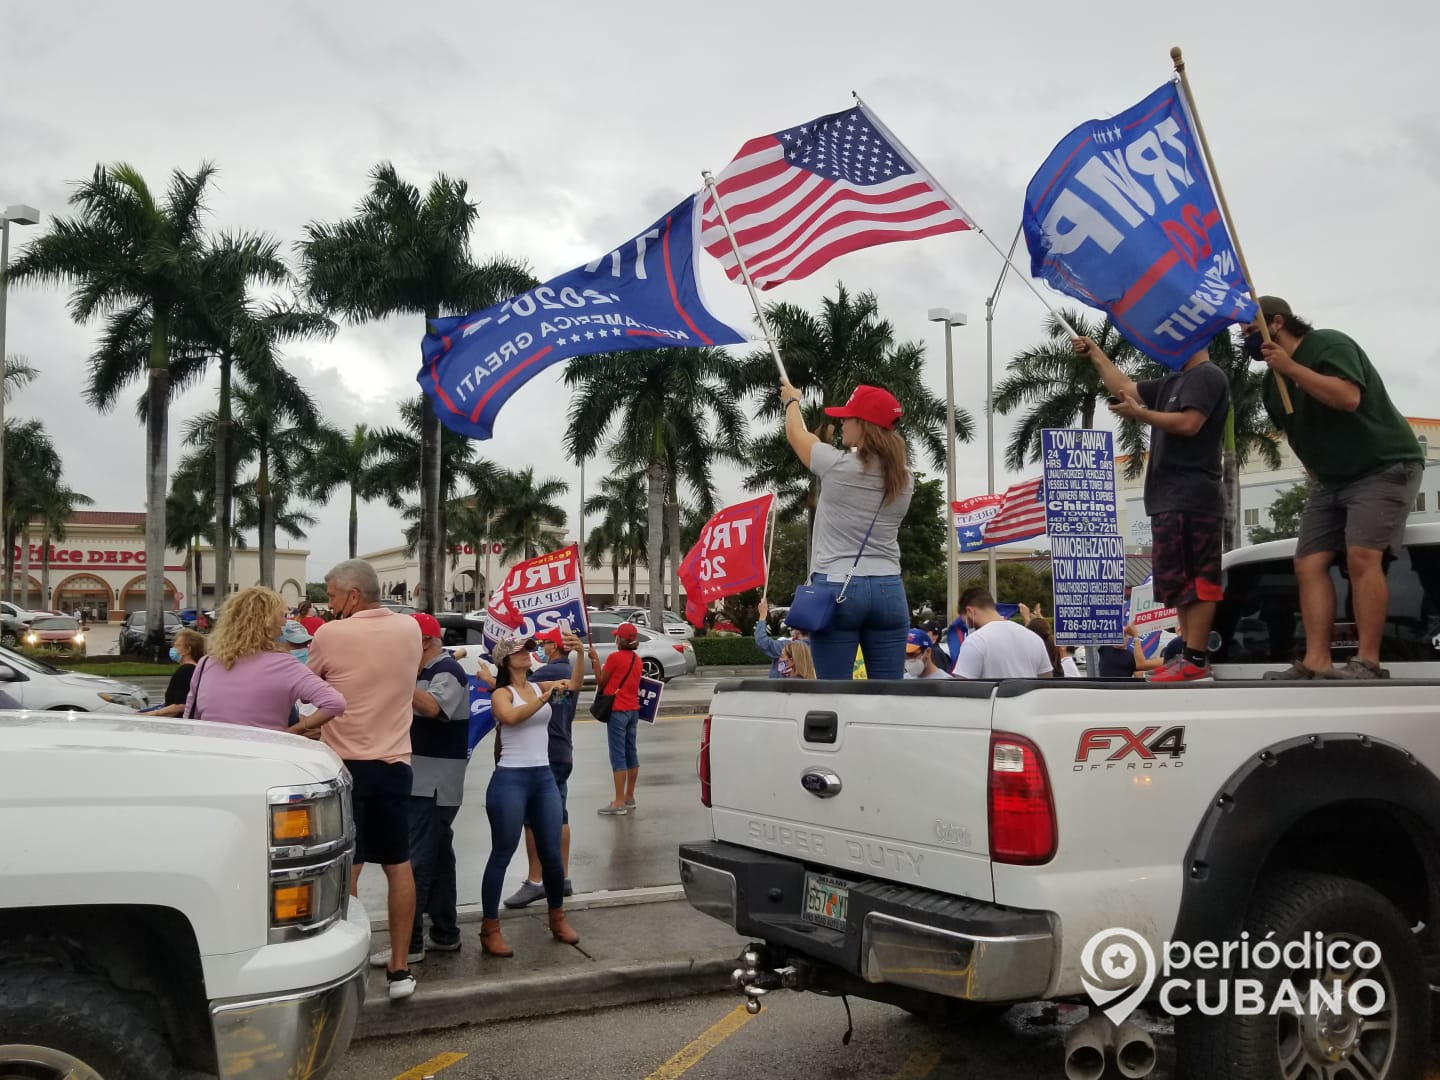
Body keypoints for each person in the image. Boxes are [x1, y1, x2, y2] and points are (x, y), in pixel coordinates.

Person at [1248, 297, 1425, 679]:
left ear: (1276, 323)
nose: (1244, 339)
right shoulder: (1270, 383)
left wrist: (1291, 367)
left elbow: (1347, 398)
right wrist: (1319, 473)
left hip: (1383, 465)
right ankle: (1316, 661)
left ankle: (1368, 661)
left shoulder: (1327, 344)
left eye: (1249, 329)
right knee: (1307, 562)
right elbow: (1296, 436)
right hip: (1332, 480)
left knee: (1362, 555)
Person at [1074, 334, 1230, 683]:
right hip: (1167, 498)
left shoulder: (1207, 375)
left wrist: (1141, 414)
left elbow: (1190, 424)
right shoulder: (1173, 381)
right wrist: (1096, 355)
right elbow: (1126, 388)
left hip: (1194, 495)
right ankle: (1186, 655)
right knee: (1179, 585)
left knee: (1199, 581)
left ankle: (1195, 658)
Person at [308, 559, 423, 1000]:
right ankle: (399, 968)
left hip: (345, 766)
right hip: (395, 764)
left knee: (346, 869)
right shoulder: (411, 630)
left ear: (353, 596)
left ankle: (350, 965)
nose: (330, 603)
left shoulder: (330, 634)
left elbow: (308, 686)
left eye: (333, 595)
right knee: (399, 864)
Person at [779, 381, 915, 679]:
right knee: (890, 695)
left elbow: (796, 434)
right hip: (889, 590)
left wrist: (792, 402)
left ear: (864, 425)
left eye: (847, 417)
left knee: (834, 694)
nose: (841, 422)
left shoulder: (837, 465)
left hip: (838, 588)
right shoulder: (905, 479)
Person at [369, 612, 471, 968]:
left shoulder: (446, 671)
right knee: (439, 860)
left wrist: (399, 681)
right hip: (428, 783)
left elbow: (432, 706)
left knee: (414, 864)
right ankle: (445, 933)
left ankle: (410, 944)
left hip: (433, 785)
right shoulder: (427, 672)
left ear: (424, 642)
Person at [479, 630, 585, 957]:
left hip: (542, 777)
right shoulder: (503, 693)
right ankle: (490, 928)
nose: (528, 653)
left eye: (530, 648)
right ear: (506, 660)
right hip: (511, 778)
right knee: (503, 851)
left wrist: (580, 655)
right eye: (521, 650)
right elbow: (509, 717)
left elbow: (576, 687)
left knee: (551, 854)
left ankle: (557, 917)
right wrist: (543, 697)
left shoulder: (540, 686)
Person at [184, 587, 345, 732]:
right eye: (282, 615)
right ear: (269, 622)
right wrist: (295, 731)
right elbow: (334, 702)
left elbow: (191, 717)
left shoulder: (206, 663)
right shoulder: (285, 665)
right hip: (264, 755)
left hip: (214, 756)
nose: (285, 621)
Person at [504, 626, 581, 908]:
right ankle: (562, 877)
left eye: (546, 643)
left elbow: (520, 706)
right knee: (560, 816)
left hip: (545, 754)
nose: (541, 648)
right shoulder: (563, 672)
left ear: (554, 647)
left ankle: (536, 880)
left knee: (533, 821)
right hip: (563, 749)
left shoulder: (544, 676)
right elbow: (559, 708)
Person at [590, 622, 644, 815]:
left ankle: (618, 801)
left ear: (620, 639)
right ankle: (629, 796)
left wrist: (595, 660)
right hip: (633, 710)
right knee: (631, 752)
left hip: (617, 710)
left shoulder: (614, 658)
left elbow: (601, 682)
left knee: (618, 755)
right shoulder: (638, 660)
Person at [950, 587, 1054, 679]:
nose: (969, 627)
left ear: (970, 611)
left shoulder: (975, 641)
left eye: (966, 622)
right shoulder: (1034, 638)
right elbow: (1046, 681)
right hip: (1029, 701)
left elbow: (961, 690)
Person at [147, 629, 206, 717]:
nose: (173, 649)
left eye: (177, 645)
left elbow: (181, 705)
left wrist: (153, 713)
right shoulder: (196, 668)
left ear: (188, 649)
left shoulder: (185, 670)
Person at [1096, 625, 1166, 679]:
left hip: (1123, 690)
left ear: (1128, 638)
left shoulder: (1132, 656)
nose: (1120, 637)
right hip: (1104, 688)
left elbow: (1138, 676)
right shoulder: (1104, 647)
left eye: (1123, 635)